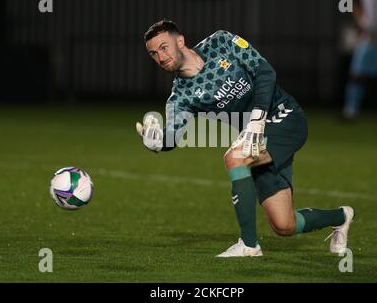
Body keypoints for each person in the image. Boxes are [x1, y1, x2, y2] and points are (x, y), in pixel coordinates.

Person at [136, 19, 354, 257]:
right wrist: (157, 142)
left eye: (164, 47)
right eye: (153, 54)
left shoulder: (220, 42)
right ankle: (341, 217)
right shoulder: (181, 96)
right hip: (255, 138)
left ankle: (249, 245)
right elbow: (172, 137)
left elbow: (265, 72)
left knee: (235, 158)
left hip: (285, 116)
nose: (160, 57)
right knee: (284, 225)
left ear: (180, 41)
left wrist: (257, 119)